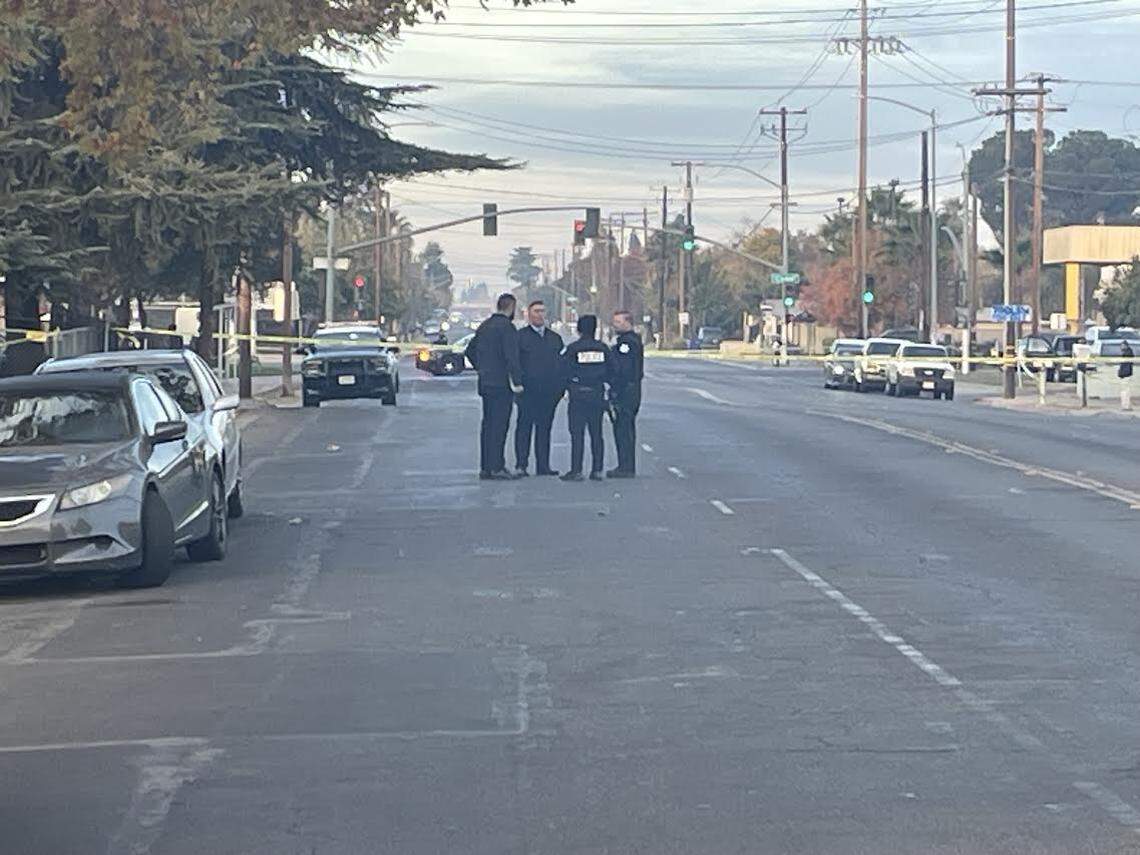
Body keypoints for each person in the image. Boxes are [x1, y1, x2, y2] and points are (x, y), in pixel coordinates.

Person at [468, 293, 523, 480]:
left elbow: (470, 351)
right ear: (511, 307)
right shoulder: (507, 328)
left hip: (486, 383)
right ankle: (497, 466)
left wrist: (482, 368)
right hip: (502, 384)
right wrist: (517, 381)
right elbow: (511, 356)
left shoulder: (485, 327)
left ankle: (486, 467)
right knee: (500, 425)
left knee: (487, 425)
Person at [514, 300, 565, 477]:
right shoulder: (520, 337)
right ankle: (521, 465)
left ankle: (543, 465)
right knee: (524, 428)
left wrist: (560, 390)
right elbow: (514, 364)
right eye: (536, 311)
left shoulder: (554, 339)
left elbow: (560, 365)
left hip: (548, 393)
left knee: (544, 430)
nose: (540, 314)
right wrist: (517, 385)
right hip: (527, 392)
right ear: (528, 314)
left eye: (543, 311)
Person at [560, 315, 611, 482]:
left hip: (578, 394)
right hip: (596, 393)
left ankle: (576, 470)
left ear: (579, 329)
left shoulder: (573, 349)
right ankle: (597, 470)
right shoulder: (602, 349)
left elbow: (563, 370)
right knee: (597, 434)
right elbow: (613, 370)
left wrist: (566, 387)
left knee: (577, 434)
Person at [607, 309, 644, 479]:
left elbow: (624, 369)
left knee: (623, 429)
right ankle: (625, 464)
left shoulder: (627, 343)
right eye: (615, 322)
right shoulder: (629, 341)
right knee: (624, 428)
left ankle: (626, 466)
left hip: (626, 391)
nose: (615, 325)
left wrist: (614, 385)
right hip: (630, 389)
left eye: (619, 322)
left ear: (628, 323)